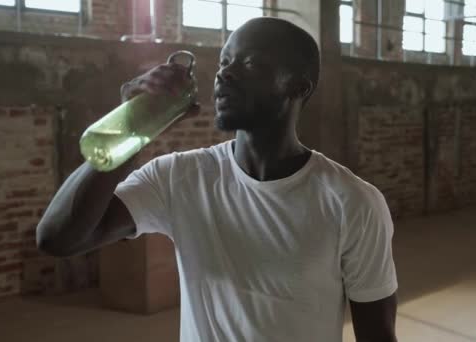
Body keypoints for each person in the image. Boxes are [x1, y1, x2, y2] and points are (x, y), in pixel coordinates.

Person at [36, 17, 398, 342]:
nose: (224, 74)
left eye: (251, 63)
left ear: (299, 87)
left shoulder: (352, 202)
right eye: (224, 62)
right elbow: (58, 237)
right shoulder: (179, 177)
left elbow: (377, 337)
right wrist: (130, 127)